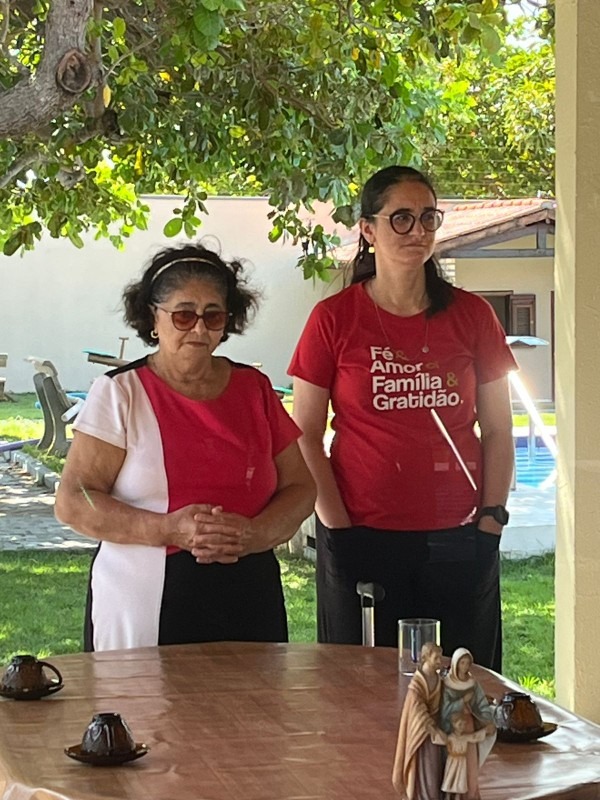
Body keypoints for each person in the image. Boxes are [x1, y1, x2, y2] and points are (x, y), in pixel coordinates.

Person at [288, 165, 517, 671]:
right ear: (368, 230)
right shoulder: (333, 319)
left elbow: (500, 429)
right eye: (401, 218)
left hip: (460, 535)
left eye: (428, 217)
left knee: (461, 689)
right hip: (361, 534)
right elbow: (304, 434)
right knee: (360, 688)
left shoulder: (474, 315)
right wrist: (338, 528)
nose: (418, 231)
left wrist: (491, 520)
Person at [55, 243, 316, 651]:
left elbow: (300, 487)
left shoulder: (254, 389)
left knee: (253, 695)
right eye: (183, 315)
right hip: (143, 596)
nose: (199, 329)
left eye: (213, 316)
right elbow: (75, 500)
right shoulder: (120, 392)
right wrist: (169, 529)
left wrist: (254, 534)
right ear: (152, 318)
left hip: (249, 593)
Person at [439, 648, 496, 799]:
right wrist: (462, 701)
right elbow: (444, 709)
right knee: (452, 768)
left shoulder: (472, 684)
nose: (464, 667)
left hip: (469, 727)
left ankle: (471, 794)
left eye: (467, 663)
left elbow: (482, 704)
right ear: (455, 664)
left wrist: (487, 721)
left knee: (470, 764)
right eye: (462, 663)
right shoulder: (447, 685)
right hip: (453, 730)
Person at [392, 642, 445, 800]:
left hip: (435, 731)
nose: (439, 661)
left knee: (435, 768)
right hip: (422, 735)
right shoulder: (417, 684)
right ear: (426, 657)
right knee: (425, 768)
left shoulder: (438, 679)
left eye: (440, 658)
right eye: (436, 658)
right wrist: (433, 730)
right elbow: (418, 710)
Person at [431, 713, 487, 800]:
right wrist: (433, 730)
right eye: (460, 724)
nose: (462, 727)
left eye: (463, 725)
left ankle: (457, 797)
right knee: (450, 778)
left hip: (461, 762)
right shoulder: (450, 737)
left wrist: (486, 731)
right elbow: (441, 738)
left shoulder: (465, 737)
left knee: (459, 780)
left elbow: (474, 737)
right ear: (454, 724)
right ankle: (447, 797)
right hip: (452, 761)